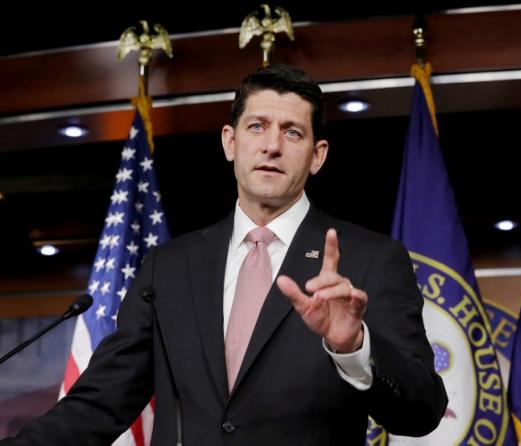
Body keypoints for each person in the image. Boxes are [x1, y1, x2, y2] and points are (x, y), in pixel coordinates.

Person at [2, 64, 447, 445]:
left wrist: (354, 347)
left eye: (292, 132)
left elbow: (422, 411)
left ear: (317, 156)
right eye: (258, 127)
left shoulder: (372, 259)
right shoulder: (169, 267)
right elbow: (99, 404)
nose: (272, 145)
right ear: (230, 142)